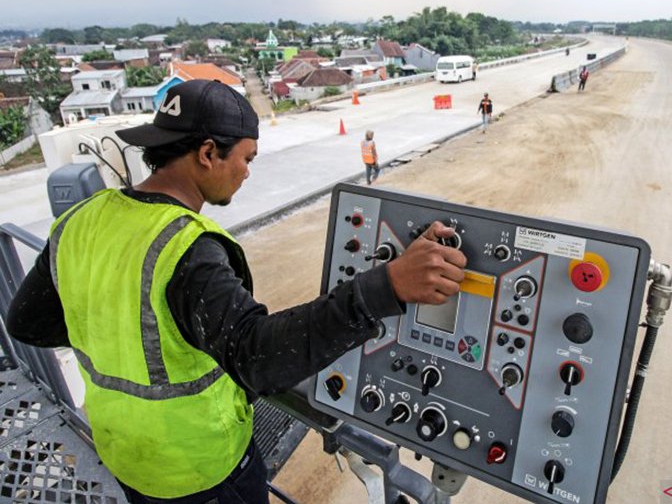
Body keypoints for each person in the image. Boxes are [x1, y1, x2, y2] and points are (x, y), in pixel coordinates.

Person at [6, 80, 467, 503]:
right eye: (246, 158)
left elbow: (28, 322)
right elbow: (258, 359)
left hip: (126, 454)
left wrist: (115, 336)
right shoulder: (184, 248)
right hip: (201, 470)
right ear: (208, 152)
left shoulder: (81, 219)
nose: (247, 172)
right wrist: (385, 288)